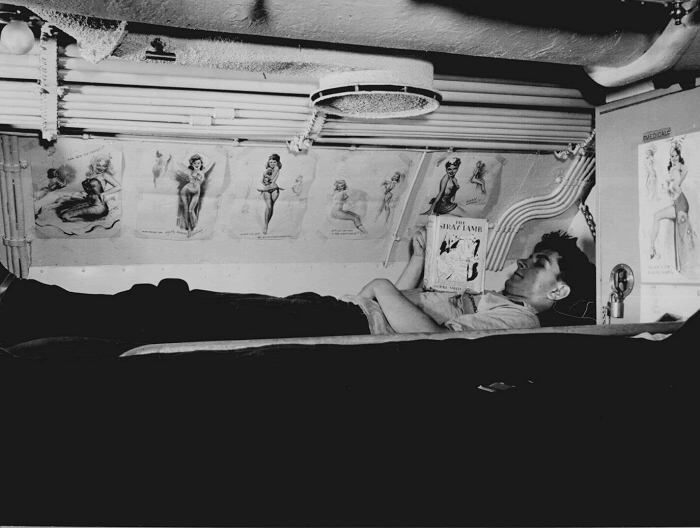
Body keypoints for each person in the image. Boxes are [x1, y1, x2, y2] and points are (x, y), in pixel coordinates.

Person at [0, 229, 594, 349]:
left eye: (537, 262)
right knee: (174, 305)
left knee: (176, 314)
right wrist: (411, 265)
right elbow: (417, 310)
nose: (520, 262)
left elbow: (432, 342)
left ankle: (21, 304)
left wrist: (387, 287)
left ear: (559, 290)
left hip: (343, 326)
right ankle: (25, 306)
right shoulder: (492, 298)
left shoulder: (521, 324)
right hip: (334, 311)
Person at [649, 141, 695, 271]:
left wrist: (677, 183)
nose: (674, 159)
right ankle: (651, 247)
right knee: (656, 216)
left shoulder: (680, 166)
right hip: (676, 204)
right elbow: (668, 184)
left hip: (682, 203)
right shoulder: (672, 169)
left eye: (676, 156)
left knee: (682, 236)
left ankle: (686, 268)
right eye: (672, 156)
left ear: (679, 156)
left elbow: (686, 169)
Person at [176, 154, 215, 237]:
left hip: (196, 192)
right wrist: (186, 151)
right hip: (186, 190)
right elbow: (179, 162)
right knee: (186, 209)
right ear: (192, 164)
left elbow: (212, 161)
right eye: (195, 163)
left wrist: (204, 153)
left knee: (191, 210)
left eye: (198, 163)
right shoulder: (190, 171)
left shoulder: (203, 171)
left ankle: (193, 227)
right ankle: (189, 230)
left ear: (201, 164)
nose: (197, 165)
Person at [258, 153, 283, 234]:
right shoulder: (267, 169)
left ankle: (266, 226)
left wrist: (265, 175)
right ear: (268, 162)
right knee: (269, 206)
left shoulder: (276, 168)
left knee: (271, 207)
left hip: (275, 189)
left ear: (277, 162)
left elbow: (272, 179)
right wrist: (264, 181)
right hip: (266, 189)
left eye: (274, 162)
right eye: (271, 162)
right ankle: (266, 225)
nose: (272, 163)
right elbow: (262, 181)